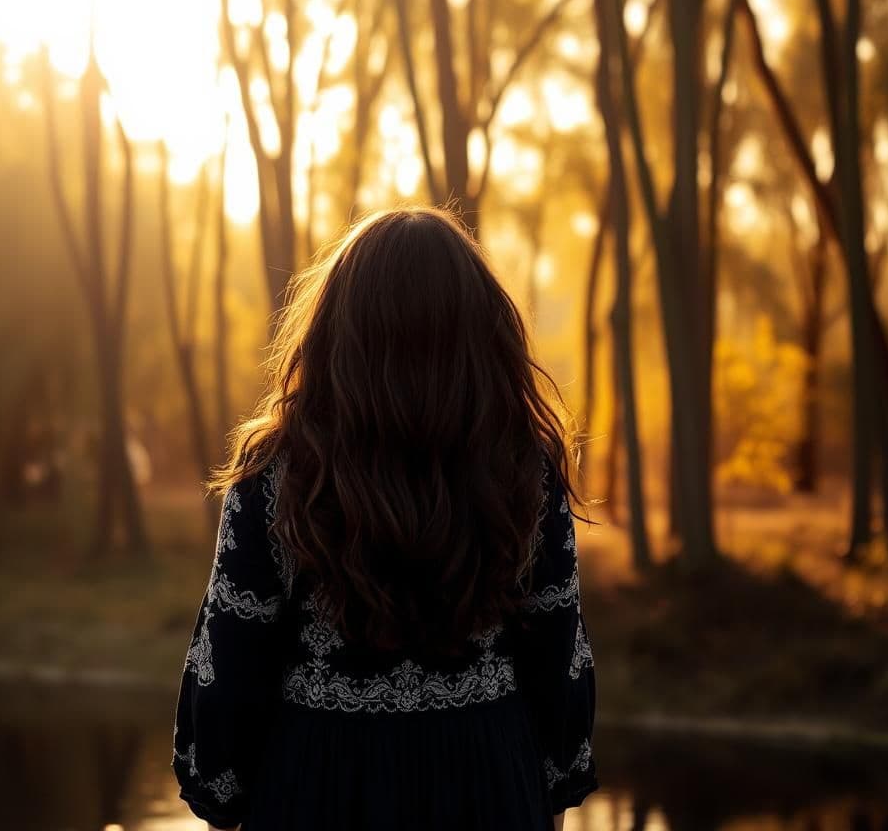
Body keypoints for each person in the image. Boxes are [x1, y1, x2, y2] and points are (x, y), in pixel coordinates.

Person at [172, 206, 598, 830]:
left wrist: (219, 799)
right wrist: (550, 793)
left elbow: (230, 662)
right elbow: (558, 656)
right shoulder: (521, 467)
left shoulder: (280, 472)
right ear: (480, 331)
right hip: (485, 786)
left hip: (318, 786)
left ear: (338, 330)